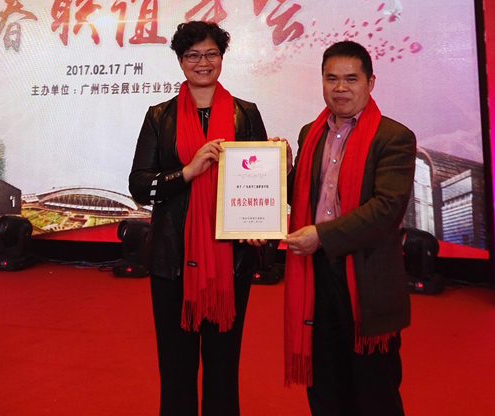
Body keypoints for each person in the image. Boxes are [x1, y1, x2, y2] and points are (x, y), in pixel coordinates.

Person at [129, 21, 267, 416]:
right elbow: (139, 185)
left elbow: (262, 181)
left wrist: (264, 221)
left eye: (211, 54)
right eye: (193, 55)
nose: (202, 62)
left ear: (221, 58)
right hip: (172, 260)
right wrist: (187, 172)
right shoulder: (159, 117)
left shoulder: (246, 114)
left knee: (223, 368)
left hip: (230, 260)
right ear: (180, 61)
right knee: (176, 369)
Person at [284, 40, 416, 416]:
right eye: (331, 79)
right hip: (316, 274)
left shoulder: (393, 137)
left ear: (370, 82)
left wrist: (322, 236)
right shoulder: (310, 133)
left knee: (375, 391)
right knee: (325, 385)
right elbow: (303, 197)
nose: (340, 88)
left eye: (351, 79)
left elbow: (386, 210)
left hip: (365, 276)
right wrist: (281, 171)